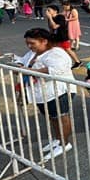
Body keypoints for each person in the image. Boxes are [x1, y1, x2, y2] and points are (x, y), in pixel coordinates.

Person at [17, 28, 75, 160]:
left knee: (61, 117)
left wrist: (28, 70)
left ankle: (65, 143)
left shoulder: (57, 53)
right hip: (42, 93)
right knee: (52, 117)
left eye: (32, 43)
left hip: (58, 91)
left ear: (44, 41)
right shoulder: (34, 52)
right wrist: (20, 65)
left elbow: (56, 70)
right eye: (28, 43)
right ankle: (58, 139)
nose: (29, 46)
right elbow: (22, 60)